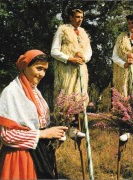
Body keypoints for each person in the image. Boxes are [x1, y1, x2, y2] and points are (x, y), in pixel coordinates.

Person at [0, 50, 68, 179]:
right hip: (20, 158)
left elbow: (39, 124)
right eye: (39, 68)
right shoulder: (12, 92)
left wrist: (56, 133)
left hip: (39, 155)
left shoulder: (36, 92)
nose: (42, 74)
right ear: (25, 66)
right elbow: (6, 135)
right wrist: (42, 134)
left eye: (45, 70)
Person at [51, 8, 92, 138]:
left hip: (80, 69)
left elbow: (89, 52)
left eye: (82, 17)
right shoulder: (63, 30)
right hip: (66, 70)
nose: (80, 19)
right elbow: (54, 51)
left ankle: (74, 128)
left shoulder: (83, 33)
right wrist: (69, 58)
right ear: (70, 17)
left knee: (78, 97)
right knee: (65, 97)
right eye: (77, 17)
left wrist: (83, 57)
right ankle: (62, 128)